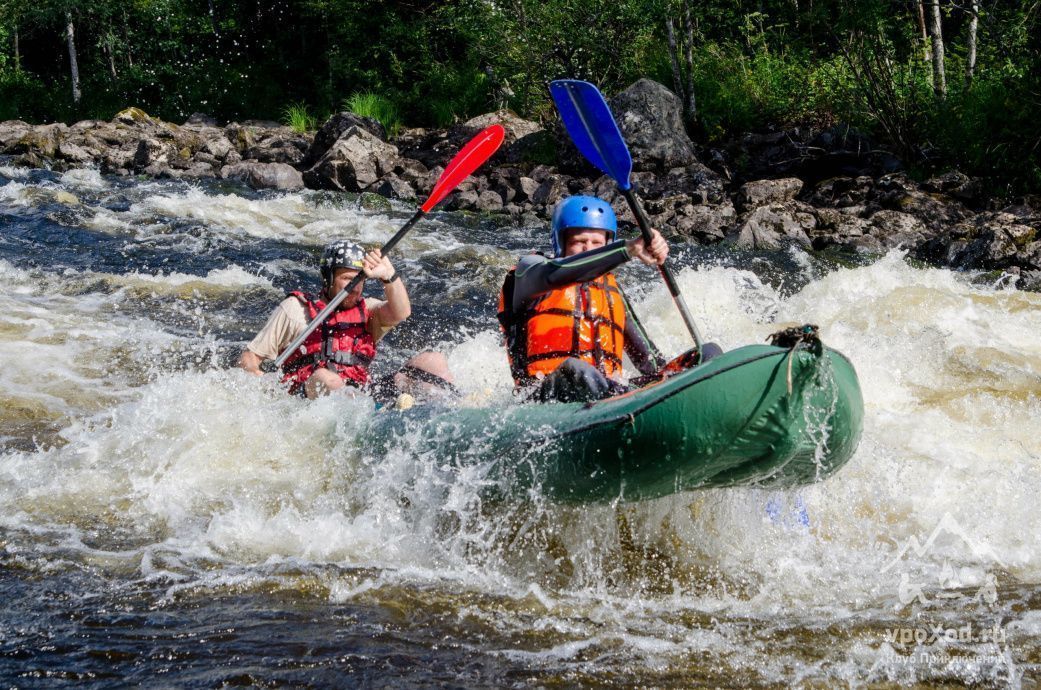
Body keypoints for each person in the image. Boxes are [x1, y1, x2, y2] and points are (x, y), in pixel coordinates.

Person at [496, 195, 672, 403]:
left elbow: (649, 360)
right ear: (560, 242)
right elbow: (554, 273)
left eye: (597, 243)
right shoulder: (531, 272)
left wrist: (674, 375)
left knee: (703, 355)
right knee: (575, 370)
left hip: (608, 395)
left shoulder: (611, 293)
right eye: (579, 242)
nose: (589, 249)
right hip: (542, 398)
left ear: (607, 244)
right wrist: (628, 249)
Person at [239, 239, 452, 401]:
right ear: (329, 279)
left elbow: (401, 312)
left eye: (360, 279)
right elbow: (250, 356)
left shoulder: (368, 310)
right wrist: (261, 382)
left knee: (433, 360)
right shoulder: (295, 309)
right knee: (327, 378)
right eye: (348, 279)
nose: (356, 287)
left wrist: (388, 275)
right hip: (307, 396)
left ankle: (452, 404)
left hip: (362, 395)